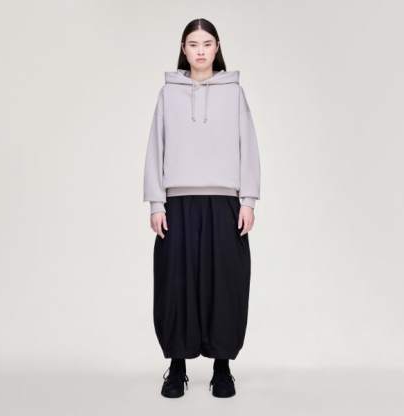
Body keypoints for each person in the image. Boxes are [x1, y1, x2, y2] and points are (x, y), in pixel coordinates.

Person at [143, 17, 261, 398]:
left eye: (207, 44)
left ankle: (222, 368)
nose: (200, 51)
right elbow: (156, 147)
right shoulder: (168, 94)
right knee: (176, 283)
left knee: (224, 282)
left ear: (217, 47)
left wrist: (248, 200)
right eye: (193, 44)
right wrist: (156, 202)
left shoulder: (234, 93)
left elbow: (248, 146)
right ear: (183, 49)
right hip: (177, 202)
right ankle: (177, 367)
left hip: (224, 202)